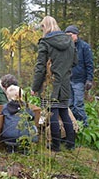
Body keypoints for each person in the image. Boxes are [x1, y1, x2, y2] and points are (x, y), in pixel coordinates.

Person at [31, 16, 78, 152]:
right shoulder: (70, 41)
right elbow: (75, 62)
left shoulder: (45, 42)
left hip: (50, 84)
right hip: (65, 83)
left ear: (45, 27)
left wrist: (34, 87)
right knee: (64, 112)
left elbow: (40, 67)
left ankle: (55, 145)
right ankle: (70, 144)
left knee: (52, 113)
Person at [65, 25, 94, 127]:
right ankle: (74, 126)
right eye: (67, 35)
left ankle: (85, 126)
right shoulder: (66, 47)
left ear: (76, 34)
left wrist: (89, 79)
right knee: (70, 105)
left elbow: (89, 64)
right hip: (68, 80)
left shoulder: (84, 47)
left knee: (78, 105)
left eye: (70, 35)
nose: (69, 37)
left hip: (79, 80)